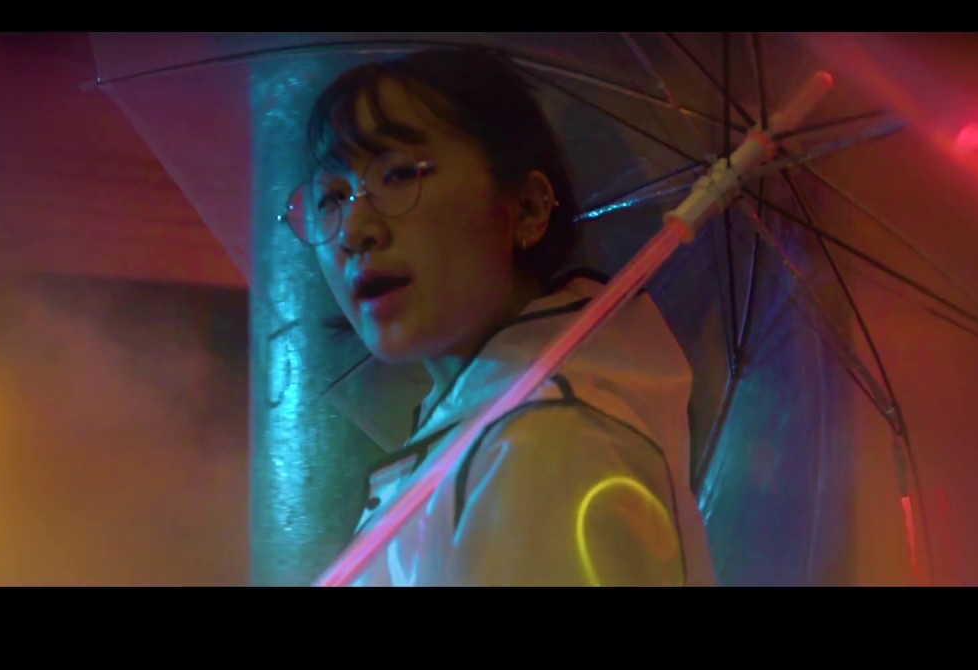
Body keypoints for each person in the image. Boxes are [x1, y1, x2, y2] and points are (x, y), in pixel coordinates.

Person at [281, 47, 715, 586]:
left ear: (527, 208)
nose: (353, 230)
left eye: (398, 174)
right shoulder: (485, 433)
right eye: (330, 199)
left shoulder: (548, 446)